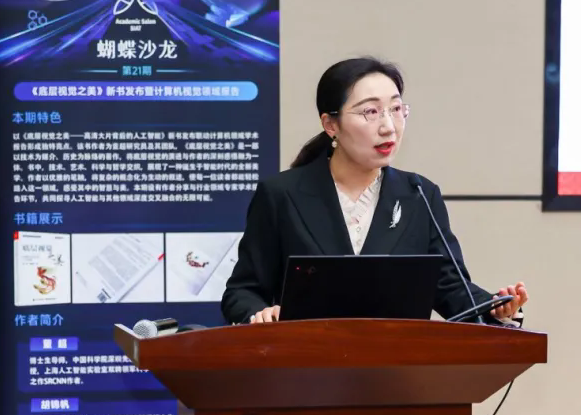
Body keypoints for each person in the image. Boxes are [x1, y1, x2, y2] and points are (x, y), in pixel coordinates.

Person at [220, 56, 528, 325]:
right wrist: (260, 314)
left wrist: (495, 307)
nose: (388, 126)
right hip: (308, 366)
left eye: (396, 109)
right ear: (331, 125)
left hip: (396, 368)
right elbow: (242, 292)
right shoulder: (282, 195)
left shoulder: (420, 194)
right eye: (370, 112)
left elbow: (452, 288)